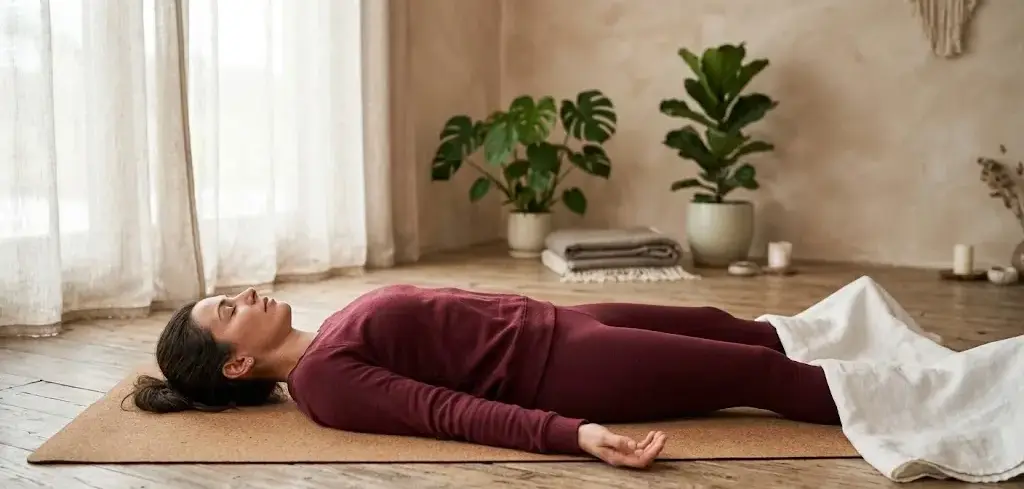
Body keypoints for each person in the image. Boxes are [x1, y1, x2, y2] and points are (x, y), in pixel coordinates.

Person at [130, 283, 840, 468]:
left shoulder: (332, 329)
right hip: (564, 367)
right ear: (238, 362)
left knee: (728, 323)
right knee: (755, 372)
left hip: (562, 319)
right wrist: (577, 433)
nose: (247, 294)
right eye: (230, 308)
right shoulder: (326, 385)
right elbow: (448, 412)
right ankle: (899, 403)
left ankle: (863, 367)